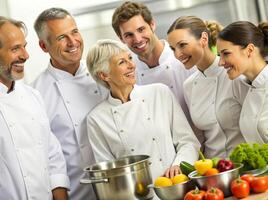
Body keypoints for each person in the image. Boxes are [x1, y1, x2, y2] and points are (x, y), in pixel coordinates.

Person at [0, 16, 69, 200]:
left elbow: (53, 156)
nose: (25, 55)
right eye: (15, 48)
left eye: (24, 46)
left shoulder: (33, 96)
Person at [86, 39, 200, 180]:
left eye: (129, 58)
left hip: (175, 185)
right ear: (104, 75)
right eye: (122, 62)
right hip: (136, 194)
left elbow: (188, 141)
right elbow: (108, 173)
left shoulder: (159, 93)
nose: (132, 65)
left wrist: (178, 166)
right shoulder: (97, 118)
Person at [32, 8, 107, 200]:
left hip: (117, 186)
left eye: (75, 32)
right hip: (76, 193)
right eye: (61, 37)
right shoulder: (35, 94)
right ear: (43, 46)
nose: (73, 42)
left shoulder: (104, 73)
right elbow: (42, 158)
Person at [111, 2, 198, 138]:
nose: (138, 39)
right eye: (129, 35)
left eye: (141, 29)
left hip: (200, 144)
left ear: (152, 25)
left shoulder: (183, 57)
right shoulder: (128, 72)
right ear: (121, 38)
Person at [166, 16, 246, 158]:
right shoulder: (189, 86)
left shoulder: (235, 74)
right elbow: (200, 138)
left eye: (182, 45)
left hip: (248, 164)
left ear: (203, 39)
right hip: (213, 170)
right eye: (173, 49)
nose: (177, 54)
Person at [217, 21, 268, 143]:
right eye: (219, 55)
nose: (220, 62)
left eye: (226, 54)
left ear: (249, 50)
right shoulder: (248, 87)